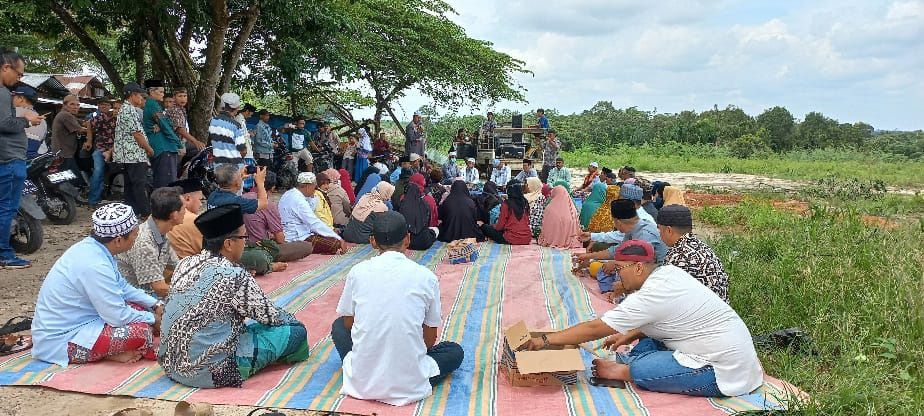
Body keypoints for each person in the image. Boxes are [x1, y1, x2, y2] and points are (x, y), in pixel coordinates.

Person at [522, 239, 763, 398]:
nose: (617, 276)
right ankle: (632, 363)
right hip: (721, 350)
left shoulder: (651, 295)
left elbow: (596, 328)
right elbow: (668, 318)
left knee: (642, 368)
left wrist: (546, 340)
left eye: (619, 269)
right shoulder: (668, 273)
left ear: (638, 267)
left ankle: (623, 371)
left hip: (723, 371)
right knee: (645, 342)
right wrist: (630, 333)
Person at [158, 204, 309, 388]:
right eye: (244, 237)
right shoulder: (234, 275)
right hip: (211, 372)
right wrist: (293, 322)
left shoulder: (185, 263)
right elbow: (271, 316)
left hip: (171, 365)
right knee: (295, 333)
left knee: (249, 327)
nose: (246, 242)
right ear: (228, 244)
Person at [332, 211, 463, 405]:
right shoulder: (426, 277)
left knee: (339, 326)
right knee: (454, 351)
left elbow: (349, 323)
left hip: (363, 381)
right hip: (410, 383)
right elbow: (429, 340)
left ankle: (370, 365)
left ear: (372, 241)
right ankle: (404, 369)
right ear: (407, 239)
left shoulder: (357, 272)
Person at [32, 203, 162, 366]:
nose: (136, 239)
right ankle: (107, 354)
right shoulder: (95, 265)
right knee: (142, 332)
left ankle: (111, 352)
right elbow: (117, 316)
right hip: (61, 339)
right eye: (135, 236)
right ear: (118, 240)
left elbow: (122, 287)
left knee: (142, 309)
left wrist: (155, 304)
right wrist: (153, 319)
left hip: (87, 320)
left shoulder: (96, 249)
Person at [577, 200, 668, 298]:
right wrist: (589, 256)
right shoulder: (634, 228)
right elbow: (618, 250)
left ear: (618, 222)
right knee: (602, 269)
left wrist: (622, 284)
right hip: (638, 269)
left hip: (654, 277)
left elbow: (643, 266)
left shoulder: (645, 234)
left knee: (608, 272)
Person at [240, 172, 313, 275]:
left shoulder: (241, 198)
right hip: (262, 248)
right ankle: (268, 264)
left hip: (242, 247)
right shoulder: (267, 204)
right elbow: (280, 239)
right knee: (306, 246)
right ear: (273, 188)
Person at [115, 187, 183, 299]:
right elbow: (159, 288)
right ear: (174, 215)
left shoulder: (160, 233)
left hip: (145, 295)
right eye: (184, 208)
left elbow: (178, 266)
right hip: (132, 298)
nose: (186, 212)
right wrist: (191, 292)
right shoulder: (144, 242)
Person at [658, 205, 730, 302]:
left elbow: (664, 298)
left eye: (659, 229)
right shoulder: (703, 248)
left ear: (669, 230)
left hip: (701, 311)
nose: (659, 234)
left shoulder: (678, 256)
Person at [113, 82, 154, 219]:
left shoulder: (125, 109)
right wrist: (149, 149)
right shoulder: (129, 110)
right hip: (134, 155)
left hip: (128, 155)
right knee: (139, 184)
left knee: (131, 185)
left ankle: (132, 212)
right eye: (140, 96)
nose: (142, 98)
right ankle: (145, 212)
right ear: (133, 95)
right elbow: (137, 134)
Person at [278, 172, 346, 254]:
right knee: (335, 243)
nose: (315, 190)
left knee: (329, 235)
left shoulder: (290, 193)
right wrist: (338, 238)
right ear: (308, 187)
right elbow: (313, 223)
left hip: (299, 232)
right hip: (298, 237)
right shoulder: (298, 200)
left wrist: (312, 197)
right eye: (314, 187)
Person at [142, 80, 182, 188]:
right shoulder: (152, 105)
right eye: (160, 92)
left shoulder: (152, 105)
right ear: (151, 91)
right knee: (166, 184)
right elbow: (165, 126)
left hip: (160, 147)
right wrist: (179, 143)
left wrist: (162, 125)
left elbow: (166, 124)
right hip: (163, 148)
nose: (163, 94)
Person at [82, 99, 117, 206]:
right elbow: (89, 124)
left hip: (116, 149)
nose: (104, 106)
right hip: (100, 148)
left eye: (106, 105)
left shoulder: (122, 118)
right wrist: (89, 140)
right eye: (102, 104)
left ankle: (111, 195)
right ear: (98, 106)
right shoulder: (99, 117)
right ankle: (93, 200)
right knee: (98, 172)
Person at [164, 87, 205, 167]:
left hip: (181, 140)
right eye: (180, 96)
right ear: (174, 97)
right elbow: (180, 129)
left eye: (184, 96)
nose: (183, 98)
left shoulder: (181, 109)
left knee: (200, 149)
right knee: (176, 165)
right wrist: (195, 141)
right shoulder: (175, 110)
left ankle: (185, 168)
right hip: (174, 142)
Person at [166, 178, 205, 259]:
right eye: (200, 200)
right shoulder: (193, 220)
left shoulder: (159, 215)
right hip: (189, 265)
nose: (201, 204)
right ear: (188, 198)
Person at [50, 94, 87, 178]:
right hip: (64, 154)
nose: (75, 107)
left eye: (78, 105)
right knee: (73, 179)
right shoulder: (65, 115)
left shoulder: (67, 115)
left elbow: (84, 123)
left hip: (63, 153)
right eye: (72, 104)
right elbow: (81, 130)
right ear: (64, 105)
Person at [397, 176, 439, 250]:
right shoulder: (427, 201)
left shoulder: (402, 200)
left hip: (406, 241)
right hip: (424, 242)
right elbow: (432, 222)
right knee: (435, 229)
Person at [209, 92, 248, 166]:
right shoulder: (235, 125)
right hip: (234, 166)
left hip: (218, 165)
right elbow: (243, 150)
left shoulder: (212, 121)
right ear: (236, 108)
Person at [11, 84, 48, 160]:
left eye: (13, 96)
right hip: (31, 161)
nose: (12, 99)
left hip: (10, 160)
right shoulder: (43, 121)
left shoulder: (11, 114)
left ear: (21, 98)